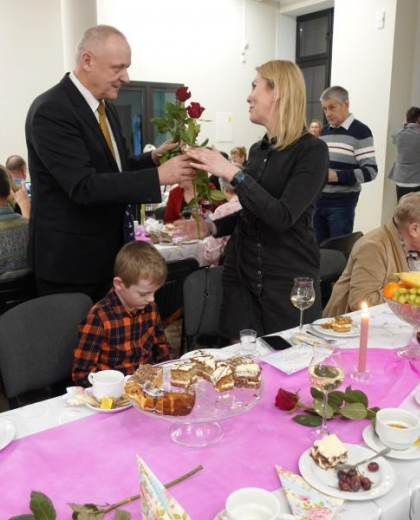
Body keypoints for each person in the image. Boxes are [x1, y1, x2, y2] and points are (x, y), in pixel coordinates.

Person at [25, 25, 195, 301]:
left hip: (108, 256)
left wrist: (152, 158)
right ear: (87, 61)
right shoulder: (52, 110)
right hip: (71, 264)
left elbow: (113, 169)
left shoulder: (105, 107)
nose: (125, 78)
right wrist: (158, 177)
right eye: (117, 68)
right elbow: (84, 185)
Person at [176, 60, 328, 338]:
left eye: (255, 86)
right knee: (242, 365)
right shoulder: (259, 150)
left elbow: (281, 217)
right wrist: (212, 227)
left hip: (286, 280)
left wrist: (232, 173)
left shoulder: (312, 151)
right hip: (243, 276)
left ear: (278, 92)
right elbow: (253, 211)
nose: (249, 95)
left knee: (286, 365)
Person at [324, 192, 420, 317]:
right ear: (414, 229)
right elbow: (360, 302)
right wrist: (410, 287)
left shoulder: (416, 244)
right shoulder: (373, 247)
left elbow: (410, 275)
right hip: (351, 329)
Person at [72, 241, 172, 386]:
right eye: (144, 293)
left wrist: (173, 367)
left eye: (155, 292)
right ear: (119, 284)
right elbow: (82, 374)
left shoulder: (150, 307)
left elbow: (160, 346)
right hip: (115, 392)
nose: (152, 299)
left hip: (147, 385)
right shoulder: (99, 318)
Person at [313, 86, 378, 244]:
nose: (327, 113)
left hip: (341, 206)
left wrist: (336, 176)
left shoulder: (361, 131)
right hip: (318, 202)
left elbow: (370, 171)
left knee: (336, 255)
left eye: (332, 107)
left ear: (346, 104)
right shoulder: (325, 132)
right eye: (325, 109)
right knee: (316, 255)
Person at [203, 178, 242, 265]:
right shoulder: (257, 205)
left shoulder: (222, 210)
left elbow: (212, 255)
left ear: (225, 190)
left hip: (228, 266)